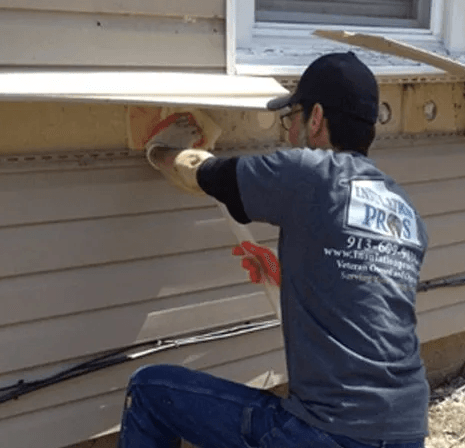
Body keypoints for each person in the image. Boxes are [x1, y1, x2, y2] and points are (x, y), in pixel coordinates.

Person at [118, 52, 429, 448]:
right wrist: (287, 274)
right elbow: (364, 293)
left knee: (150, 390)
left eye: (291, 118)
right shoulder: (402, 208)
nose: (288, 132)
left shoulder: (311, 173)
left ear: (316, 117)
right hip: (405, 431)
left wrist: (161, 149)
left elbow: (208, 176)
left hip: (327, 433)